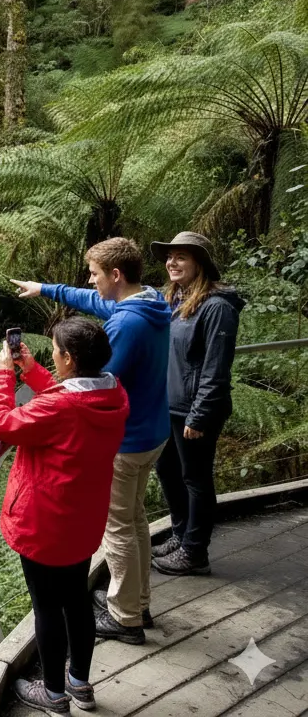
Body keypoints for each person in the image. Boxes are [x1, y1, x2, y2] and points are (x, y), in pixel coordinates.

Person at [10, 237, 171, 645]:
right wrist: (45, 288)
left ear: (115, 275)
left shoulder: (125, 324)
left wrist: (35, 380)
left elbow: (89, 386)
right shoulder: (151, 303)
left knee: (119, 527)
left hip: (128, 440)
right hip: (153, 430)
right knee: (134, 520)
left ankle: (125, 616)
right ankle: (139, 601)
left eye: (95, 274)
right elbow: (98, 303)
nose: (90, 281)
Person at [0, 318, 128, 714]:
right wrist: (31, 371)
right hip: (82, 521)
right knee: (76, 601)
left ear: (68, 358)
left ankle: (52, 694)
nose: (50, 354)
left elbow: (0, 424)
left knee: (46, 606)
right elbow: (67, 399)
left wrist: (3, 375)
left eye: (54, 351)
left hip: (44, 524)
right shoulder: (114, 394)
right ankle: (80, 683)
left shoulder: (60, 408)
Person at [149, 232, 243, 576]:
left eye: (181, 257)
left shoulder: (217, 307)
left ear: (199, 263)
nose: (172, 263)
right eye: (169, 257)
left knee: (196, 478)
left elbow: (215, 368)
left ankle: (194, 551)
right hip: (170, 406)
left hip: (195, 409)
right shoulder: (174, 300)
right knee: (168, 471)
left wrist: (200, 414)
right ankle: (179, 533)